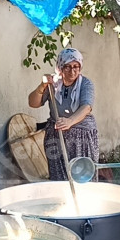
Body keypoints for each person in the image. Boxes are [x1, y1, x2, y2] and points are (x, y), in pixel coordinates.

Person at [28, 48, 98, 180]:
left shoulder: (85, 84)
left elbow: (86, 107)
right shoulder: (53, 84)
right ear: (60, 67)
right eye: (67, 67)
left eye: (76, 67)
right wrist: (42, 86)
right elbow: (33, 103)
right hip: (56, 134)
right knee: (59, 176)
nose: (72, 71)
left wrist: (70, 121)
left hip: (81, 136)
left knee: (81, 175)